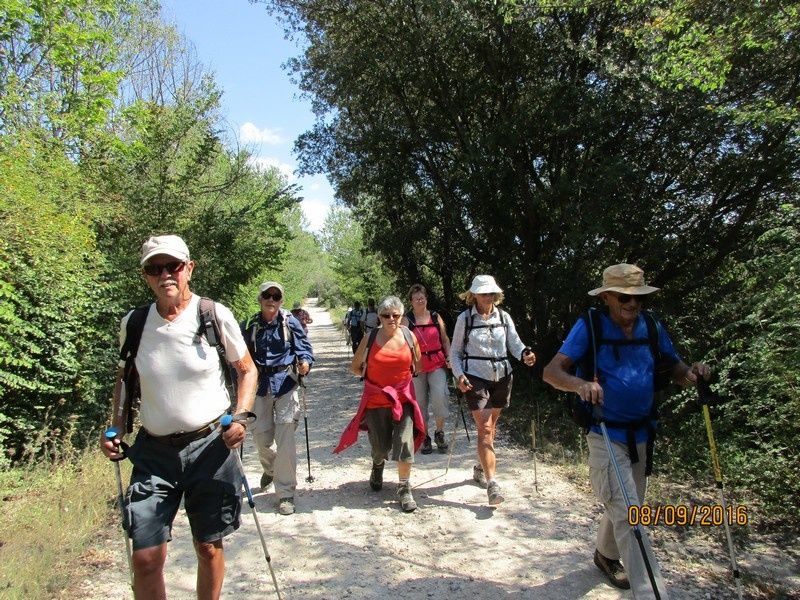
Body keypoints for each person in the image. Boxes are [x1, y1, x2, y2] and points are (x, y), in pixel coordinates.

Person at [100, 234, 258, 599]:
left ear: (189, 268)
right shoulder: (135, 323)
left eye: (173, 266)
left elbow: (246, 370)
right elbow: (124, 379)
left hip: (210, 447)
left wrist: (241, 417)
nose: (165, 274)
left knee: (208, 546)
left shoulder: (212, 314)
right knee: (146, 557)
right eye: (155, 268)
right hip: (154, 453)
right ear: (145, 276)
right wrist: (115, 429)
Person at [542, 263, 710, 598]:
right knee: (631, 518)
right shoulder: (590, 326)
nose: (633, 305)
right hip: (605, 433)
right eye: (625, 298)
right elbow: (551, 372)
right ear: (606, 297)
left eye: (639, 299)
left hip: (643, 434)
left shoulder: (650, 325)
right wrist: (580, 385)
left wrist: (690, 374)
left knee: (626, 507)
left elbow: (673, 365)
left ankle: (605, 556)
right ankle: (652, 593)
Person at [449, 275, 536, 506]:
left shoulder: (504, 317)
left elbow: (515, 344)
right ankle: (492, 484)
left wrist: (525, 354)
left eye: (490, 293)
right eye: (483, 293)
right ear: (473, 295)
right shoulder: (464, 319)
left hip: (502, 377)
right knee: (485, 429)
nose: (487, 297)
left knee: (491, 428)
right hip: (475, 377)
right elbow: (455, 353)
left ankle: (480, 465)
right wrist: (459, 376)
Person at [334, 296, 426, 512]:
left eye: (396, 315)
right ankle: (377, 465)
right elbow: (355, 367)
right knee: (379, 447)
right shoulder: (370, 337)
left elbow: (418, 366)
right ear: (379, 317)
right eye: (386, 315)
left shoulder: (409, 336)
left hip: (402, 400)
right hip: (376, 400)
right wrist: (374, 382)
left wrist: (400, 384)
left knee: (405, 442)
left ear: (402, 316)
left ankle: (404, 487)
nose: (391, 319)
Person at [241, 281, 314, 516]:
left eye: (276, 296)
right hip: (260, 386)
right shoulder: (251, 324)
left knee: (285, 440)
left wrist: (305, 363)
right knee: (261, 438)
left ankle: (285, 493)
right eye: (267, 295)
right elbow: (240, 356)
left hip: (285, 384)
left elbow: (304, 348)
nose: (271, 299)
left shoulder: (289, 322)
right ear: (260, 299)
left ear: (281, 300)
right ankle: (270, 469)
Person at [401, 284, 452, 454]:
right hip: (416, 366)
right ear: (411, 302)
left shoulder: (436, 317)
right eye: (416, 298)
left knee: (440, 396)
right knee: (420, 403)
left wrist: (450, 356)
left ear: (426, 298)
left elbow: (444, 339)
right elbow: (400, 344)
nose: (420, 300)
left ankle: (439, 432)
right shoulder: (406, 320)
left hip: (437, 363)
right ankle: (425, 436)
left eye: (422, 297)